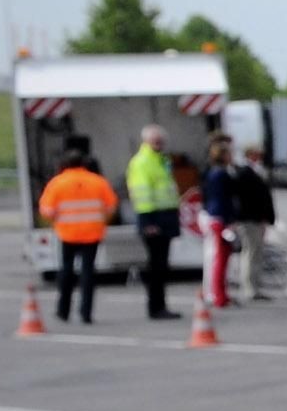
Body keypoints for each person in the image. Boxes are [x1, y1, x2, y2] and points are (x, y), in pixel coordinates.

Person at [37, 137, 118, 324]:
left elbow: (47, 210)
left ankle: (63, 310)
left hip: (68, 234)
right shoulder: (98, 182)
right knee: (88, 273)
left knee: (66, 271)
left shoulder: (57, 183)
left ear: (64, 164)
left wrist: (57, 221)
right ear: (85, 163)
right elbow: (111, 207)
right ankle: (86, 313)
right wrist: (101, 221)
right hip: (92, 234)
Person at [125, 125, 182, 319]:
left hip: (164, 217)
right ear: (146, 141)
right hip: (153, 219)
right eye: (155, 140)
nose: (159, 143)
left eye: (160, 140)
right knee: (156, 266)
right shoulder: (143, 162)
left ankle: (159, 305)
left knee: (161, 265)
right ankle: (156, 307)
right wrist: (148, 222)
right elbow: (142, 194)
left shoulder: (160, 160)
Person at [198, 133, 241, 308]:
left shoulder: (214, 172)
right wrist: (228, 220)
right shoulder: (220, 174)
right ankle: (217, 294)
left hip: (215, 217)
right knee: (218, 259)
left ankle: (219, 292)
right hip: (218, 218)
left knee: (220, 258)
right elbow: (223, 199)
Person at [234, 144, 280, 301]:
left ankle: (254, 285)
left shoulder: (255, 171)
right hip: (249, 219)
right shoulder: (245, 173)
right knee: (251, 252)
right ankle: (249, 287)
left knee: (256, 252)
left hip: (257, 219)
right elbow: (250, 198)